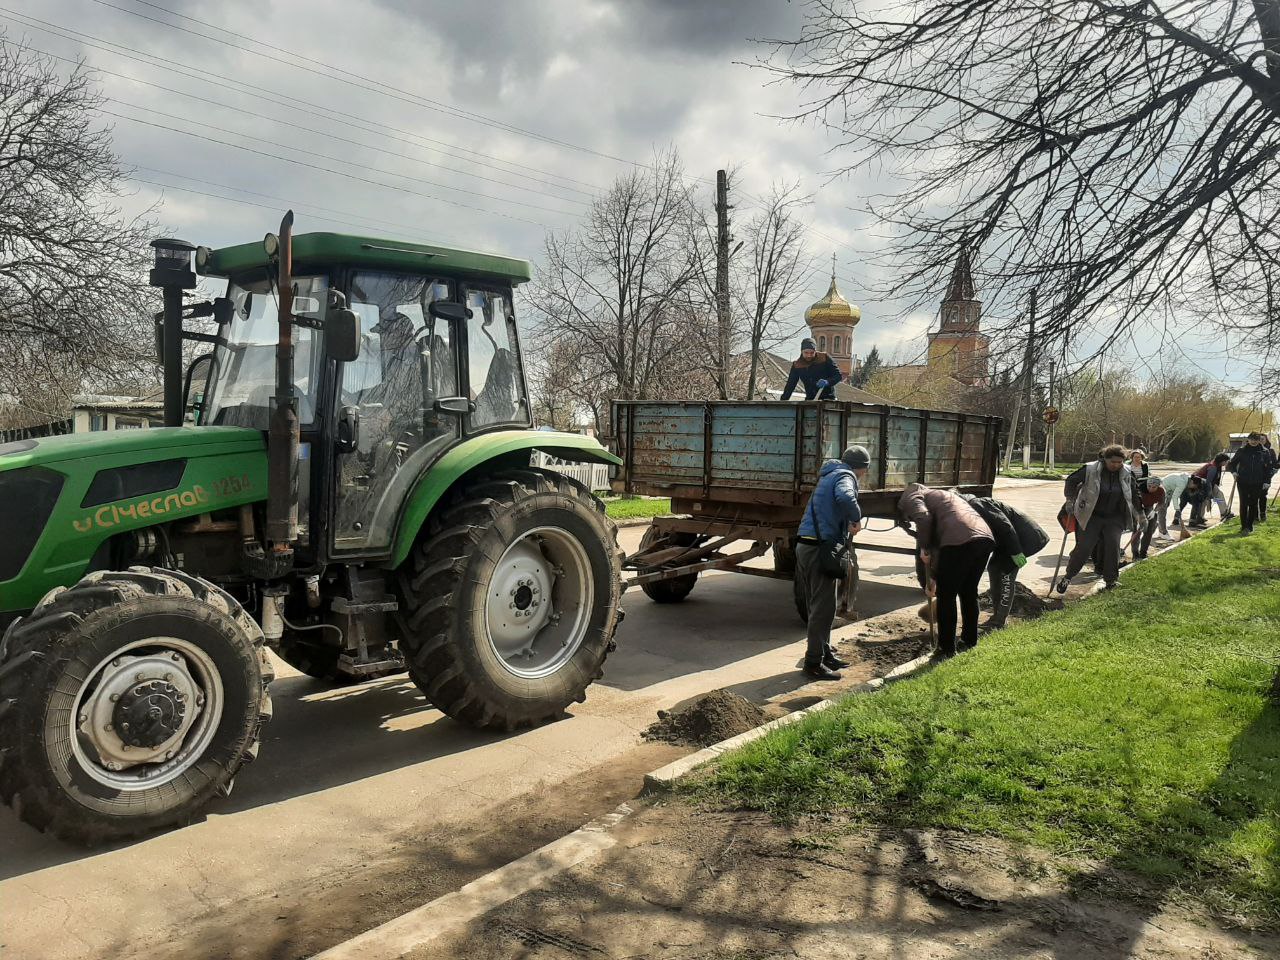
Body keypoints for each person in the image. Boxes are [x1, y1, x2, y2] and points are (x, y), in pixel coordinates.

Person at [794, 445, 869, 680]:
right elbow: (846, 497)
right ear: (862, 468)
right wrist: (856, 519)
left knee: (820, 605)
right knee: (822, 609)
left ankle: (826, 654)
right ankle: (813, 663)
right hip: (819, 548)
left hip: (807, 546)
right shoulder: (846, 476)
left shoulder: (829, 474)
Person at [898, 483, 994, 657]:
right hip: (984, 538)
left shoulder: (911, 496)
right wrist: (933, 577)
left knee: (946, 595)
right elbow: (942, 545)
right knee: (968, 591)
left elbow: (923, 519)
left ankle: (946, 648)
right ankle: (969, 640)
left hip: (961, 541)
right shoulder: (941, 496)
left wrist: (924, 548)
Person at [1055, 444, 1144, 593]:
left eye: (1119, 462)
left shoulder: (1127, 472)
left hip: (1115, 517)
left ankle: (1110, 581)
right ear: (1105, 460)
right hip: (1091, 516)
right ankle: (1068, 577)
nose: (1116, 465)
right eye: (1112, 462)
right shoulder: (1090, 469)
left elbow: (1135, 493)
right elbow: (1071, 481)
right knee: (1084, 548)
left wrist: (1141, 515)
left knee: (1113, 548)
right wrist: (1069, 500)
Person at [960, 494, 1050, 628]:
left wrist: (1016, 552)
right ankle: (998, 616)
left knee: (1005, 574)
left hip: (1023, 539)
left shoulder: (978, 505)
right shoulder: (971, 509)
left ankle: (999, 621)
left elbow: (1005, 526)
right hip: (1008, 542)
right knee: (994, 567)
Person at [1227, 432, 1271, 535]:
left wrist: (1267, 481)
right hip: (1242, 481)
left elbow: (1268, 469)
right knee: (1243, 503)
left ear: (1259, 440)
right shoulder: (1242, 451)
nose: (1254, 442)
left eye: (1256, 440)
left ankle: (1250, 526)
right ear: (1248, 439)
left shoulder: (1264, 452)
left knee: (1253, 504)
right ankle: (1244, 526)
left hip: (1257, 482)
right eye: (1252, 439)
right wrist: (1234, 472)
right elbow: (1232, 464)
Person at [1191, 453, 1233, 525]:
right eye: (1226, 461)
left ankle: (1223, 512)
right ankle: (1199, 517)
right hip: (1201, 485)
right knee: (1207, 500)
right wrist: (1209, 493)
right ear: (1221, 461)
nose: (1226, 463)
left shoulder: (1216, 465)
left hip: (1206, 484)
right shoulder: (1213, 467)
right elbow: (1208, 481)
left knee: (1218, 496)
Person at [1131, 475, 1165, 559]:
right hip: (1137, 509)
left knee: (1148, 531)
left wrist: (1154, 511)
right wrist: (1139, 517)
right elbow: (1135, 504)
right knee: (1137, 531)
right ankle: (1135, 553)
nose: (1151, 489)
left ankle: (1143, 553)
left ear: (1158, 486)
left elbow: (1161, 503)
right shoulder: (1139, 489)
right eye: (1149, 486)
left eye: (1154, 487)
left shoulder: (1161, 491)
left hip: (1149, 508)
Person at [1261, 435, 1277, 522]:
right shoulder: (1255, 450)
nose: (1260, 441)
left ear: (1266, 440)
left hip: (1266, 476)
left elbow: (1275, 464)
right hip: (1255, 477)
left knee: (1263, 495)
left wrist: (1273, 470)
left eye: (1262, 439)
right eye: (1259, 439)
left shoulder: (1270, 451)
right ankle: (1255, 515)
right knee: (1254, 496)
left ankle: (1263, 514)